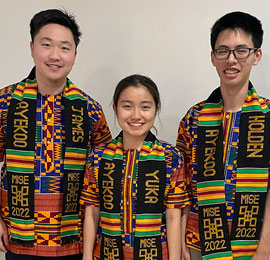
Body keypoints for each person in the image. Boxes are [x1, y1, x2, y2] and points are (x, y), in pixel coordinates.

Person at [0, 9, 111, 259]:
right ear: (32, 48)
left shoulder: (90, 109)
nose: (55, 55)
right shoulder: (2, 102)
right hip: (21, 236)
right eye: (46, 45)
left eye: (65, 48)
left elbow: (102, 171)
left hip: (75, 239)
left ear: (75, 54)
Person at [176, 11, 270, 260]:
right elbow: (182, 186)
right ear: (213, 57)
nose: (231, 60)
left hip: (248, 246)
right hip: (196, 243)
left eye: (241, 51)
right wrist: (180, 238)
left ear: (256, 55)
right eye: (223, 51)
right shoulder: (193, 118)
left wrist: (265, 246)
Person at [81, 75, 190, 260]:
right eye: (127, 106)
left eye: (145, 107)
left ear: (156, 110)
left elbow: (173, 216)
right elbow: (92, 212)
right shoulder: (99, 156)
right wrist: (86, 256)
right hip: (107, 254)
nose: (136, 115)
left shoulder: (171, 157)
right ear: (115, 109)